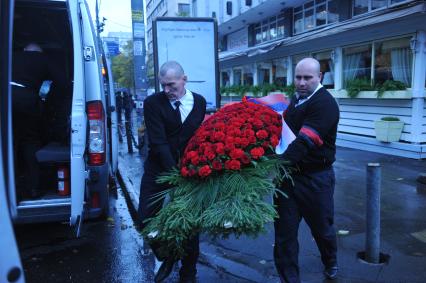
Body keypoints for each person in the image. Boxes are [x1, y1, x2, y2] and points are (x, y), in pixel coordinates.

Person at [138, 61, 206, 283]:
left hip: (190, 172)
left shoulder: (199, 103)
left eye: (171, 85)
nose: (166, 90)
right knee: (145, 218)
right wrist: (175, 174)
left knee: (190, 223)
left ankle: (189, 273)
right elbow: (158, 143)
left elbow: (198, 139)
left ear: (184, 79)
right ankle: (167, 255)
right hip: (159, 168)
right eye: (163, 85)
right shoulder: (152, 103)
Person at [274, 58, 340, 283]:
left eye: (307, 78)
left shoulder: (325, 104)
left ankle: (330, 260)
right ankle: (289, 279)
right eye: (298, 77)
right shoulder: (296, 99)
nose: (301, 82)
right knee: (284, 235)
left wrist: (272, 167)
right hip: (289, 178)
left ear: (319, 77)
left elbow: (304, 142)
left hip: (315, 179)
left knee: (322, 230)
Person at [12, 42, 63, 199]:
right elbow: (62, 82)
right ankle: (33, 187)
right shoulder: (43, 59)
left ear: (25, 49)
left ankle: (9, 188)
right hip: (27, 101)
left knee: (9, 143)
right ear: (39, 52)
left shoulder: (11, 56)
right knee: (30, 142)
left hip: (5, 98)